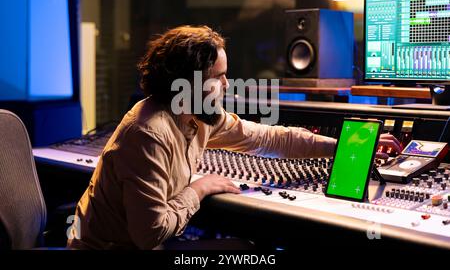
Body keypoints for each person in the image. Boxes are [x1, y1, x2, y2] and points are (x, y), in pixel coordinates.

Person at [67, 25, 402, 250]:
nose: (227, 86)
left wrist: (342, 147)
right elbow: (149, 233)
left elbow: (271, 138)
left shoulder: (197, 115)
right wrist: (199, 188)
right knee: (248, 253)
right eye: (220, 77)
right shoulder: (148, 133)